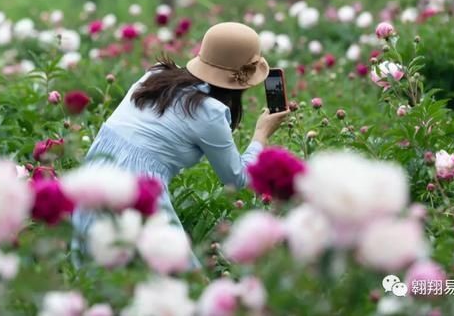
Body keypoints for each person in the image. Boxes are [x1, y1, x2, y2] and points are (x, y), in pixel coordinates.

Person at [71, 22, 290, 267]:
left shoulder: (155, 75)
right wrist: (261, 133)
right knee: (177, 278)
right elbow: (237, 179)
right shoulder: (209, 111)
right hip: (138, 188)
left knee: (101, 275)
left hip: (93, 174)